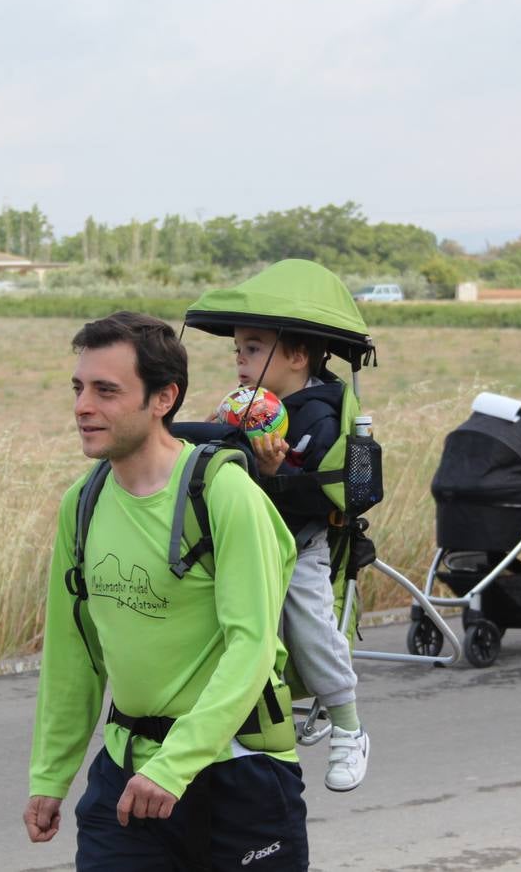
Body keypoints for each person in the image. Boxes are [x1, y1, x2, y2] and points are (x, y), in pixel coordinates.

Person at [24, 312, 308, 870]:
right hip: (128, 775)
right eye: (79, 388)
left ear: (163, 398)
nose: (83, 406)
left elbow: (249, 647)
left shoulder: (225, 495)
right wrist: (50, 774)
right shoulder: (81, 504)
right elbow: (73, 656)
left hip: (239, 772)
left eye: (107, 391)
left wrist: (172, 767)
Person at [230, 324, 370, 792]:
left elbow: (321, 490)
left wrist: (272, 472)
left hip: (300, 542)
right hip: (245, 541)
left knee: (310, 627)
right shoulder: (247, 409)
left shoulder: (319, 418)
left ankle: (350, 727)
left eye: (252, 349)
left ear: (295, 357)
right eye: (237, 350)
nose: (240, 360)